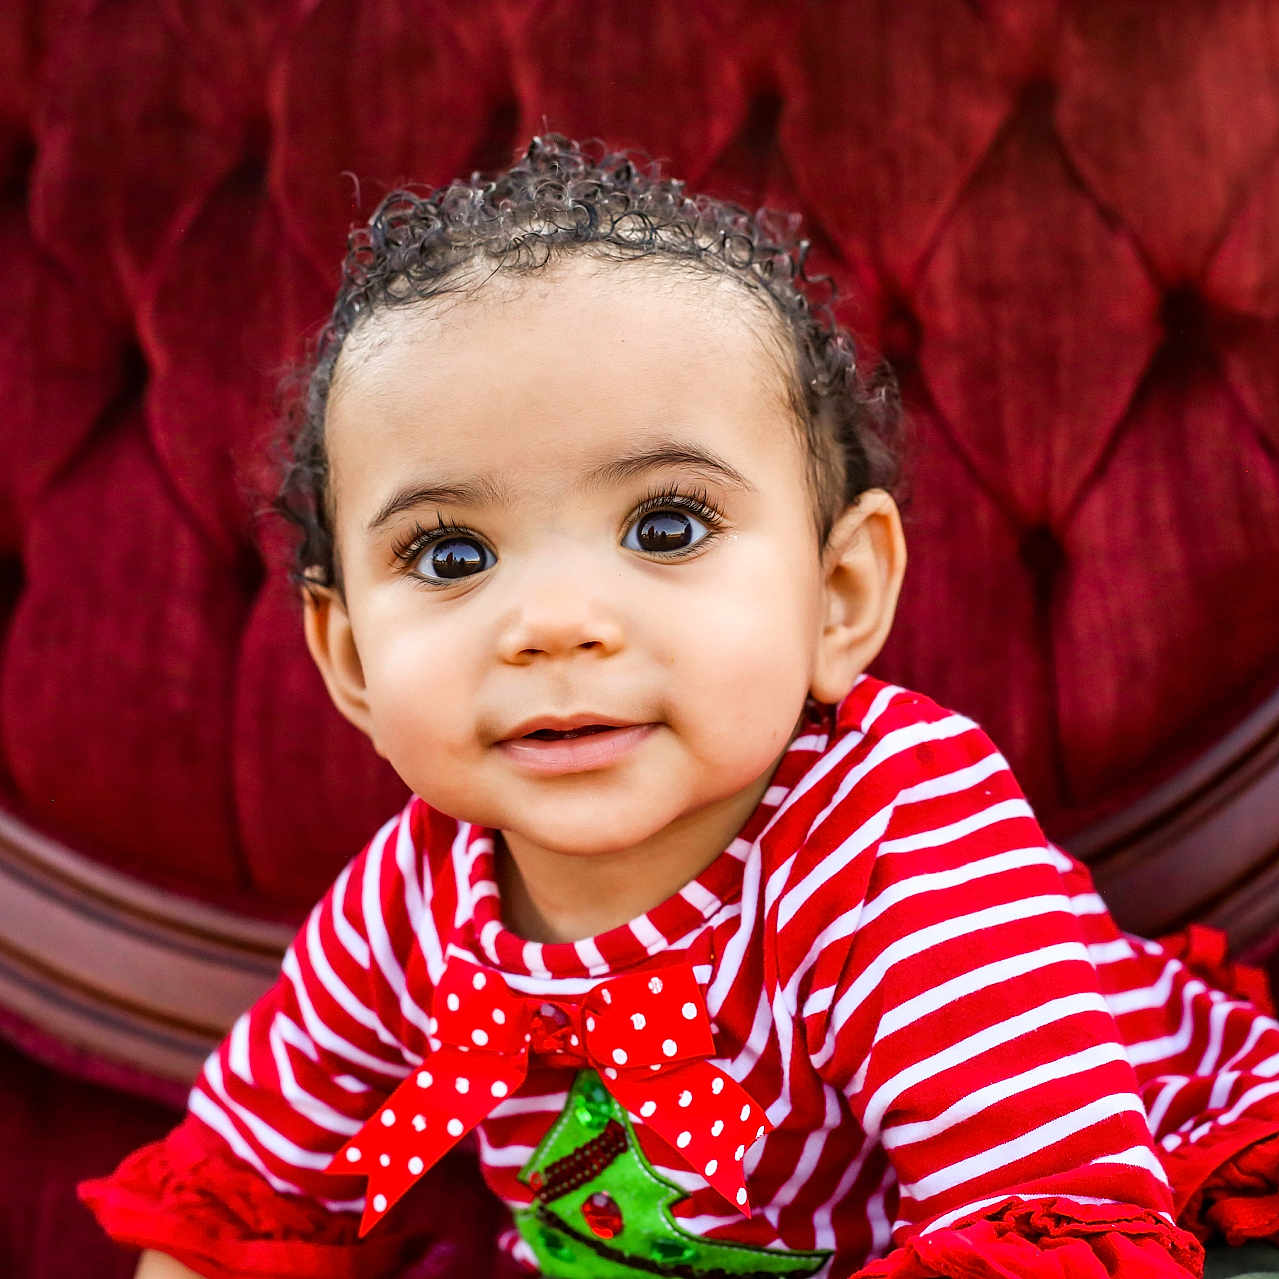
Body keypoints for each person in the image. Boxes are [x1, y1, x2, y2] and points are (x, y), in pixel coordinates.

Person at [80, 136, 1279, 1279]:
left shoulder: (892, 841)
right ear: (347, 656)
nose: (552, 621)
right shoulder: (407, 907)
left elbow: (1057, 1227)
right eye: (449, 554)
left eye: (666, 526)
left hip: (1156, 1202)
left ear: (838, 595)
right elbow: (242, 1198)